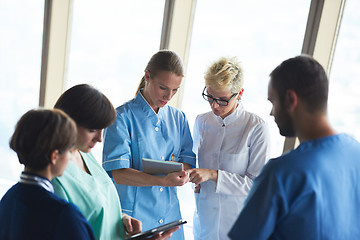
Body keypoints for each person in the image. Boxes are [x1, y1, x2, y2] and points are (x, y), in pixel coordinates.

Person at [228, 55, 360, 239]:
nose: (271, 113)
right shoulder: (355, 153)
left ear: (291, 99)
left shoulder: (282, 174)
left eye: (273, 101)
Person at [52, 84, 177, 240]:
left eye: (102, 130)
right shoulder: (54, 177)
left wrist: (120, 219)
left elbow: (95, 208)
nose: (100, 138)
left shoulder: (84, 153)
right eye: (92, 130)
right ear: (68, 122)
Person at [102, 49, 196, 240]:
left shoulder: (178, 118)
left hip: (170, 218)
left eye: (175, 90)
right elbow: (118, 173)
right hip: (136, 220)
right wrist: (163, 180)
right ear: (147, 76)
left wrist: (181, 174)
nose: (169, 96)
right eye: (163, 87)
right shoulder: (121, 118)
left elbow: (187, 162)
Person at [187, 57, 271, 240]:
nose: (214, 105)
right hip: (205, 222)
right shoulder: (201, 122)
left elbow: (257, 185)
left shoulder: (256, 127)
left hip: (239, 225)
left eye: (222, 100)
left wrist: (213, 174)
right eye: (210, 97)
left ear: (239, 93)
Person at [0, 109, 95, 240]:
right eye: (69, 150)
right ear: (54, 156)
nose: (70, 157)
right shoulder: (64, 214)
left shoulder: (7, 200)